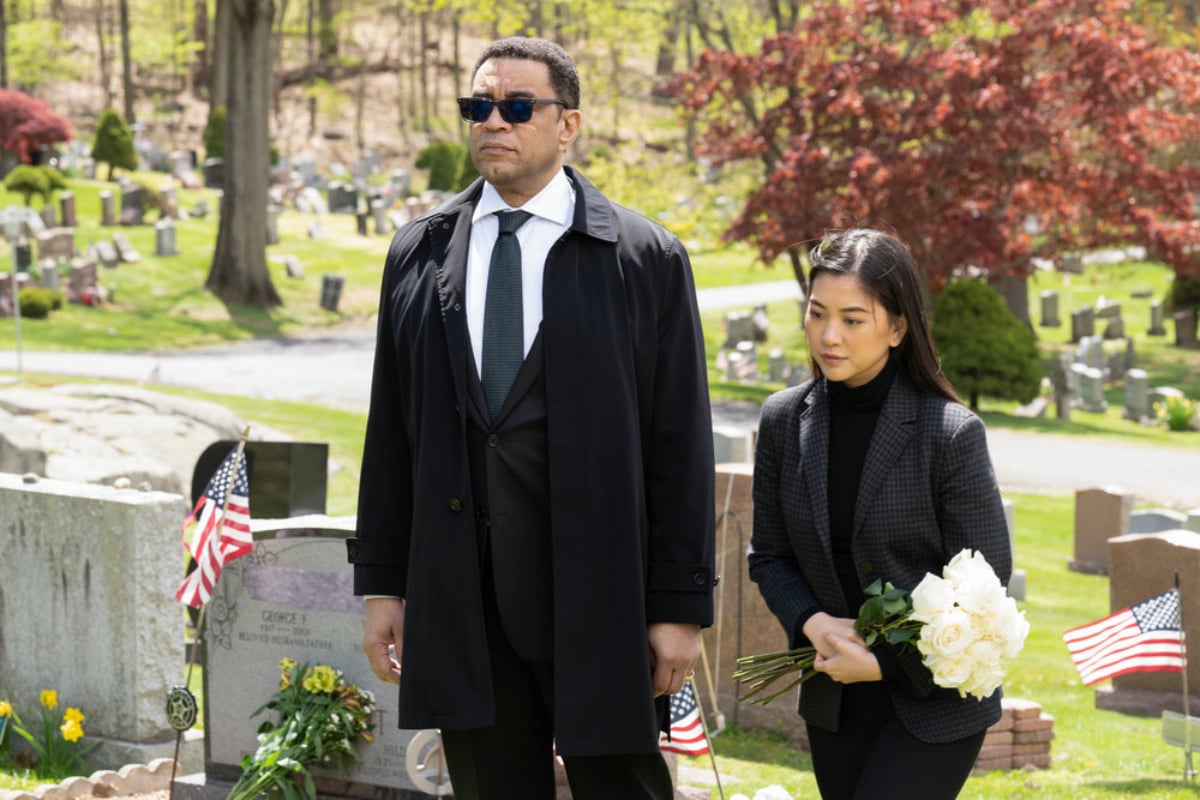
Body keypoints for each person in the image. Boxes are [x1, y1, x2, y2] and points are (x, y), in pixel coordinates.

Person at [348, 36, 716, 800]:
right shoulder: (419, 252)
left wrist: (679, 607)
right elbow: (391, 436)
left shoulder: (645, 259)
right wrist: (383, 586)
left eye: (517, 107)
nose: (494, 121)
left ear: (567, 125)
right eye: (477, 106)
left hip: (600, 592)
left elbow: (679, 444)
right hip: (463, 594)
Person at [748, 228, 1013, 799]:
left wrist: (885, 662)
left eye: (852, 318)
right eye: (817, 314)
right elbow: (769, 556)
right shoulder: (781, 421)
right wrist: (812, 624)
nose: (828, 335)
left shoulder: (950, 433)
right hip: (834, 700)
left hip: (934, 700)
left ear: (896, 327)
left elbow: (986, 583)